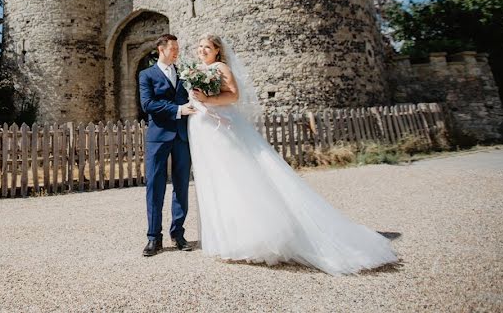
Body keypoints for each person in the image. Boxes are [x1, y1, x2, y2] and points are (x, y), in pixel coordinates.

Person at [186, 34, 399, 275]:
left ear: (217, 51)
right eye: (200, 46)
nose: (202, 50)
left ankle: (257, 237)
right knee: (219, 182)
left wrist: (208, 99)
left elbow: (234, 95)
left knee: (237, 177)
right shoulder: (198, 69)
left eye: (207, 47)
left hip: (222, 127)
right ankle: (229, 238)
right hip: (205, 130)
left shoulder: (219, 67)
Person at [138, 34, 197, 257]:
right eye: (173, 48)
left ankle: (178, 233)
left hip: (181, 137)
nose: (177, 52)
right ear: (161, 49)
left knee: (181, 186)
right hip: (158, 137)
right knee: (155, 187)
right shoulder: (147, 75)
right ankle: (154, 238)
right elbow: (147, 104)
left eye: (177, 48)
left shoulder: (185, 74)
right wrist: (178, 110)